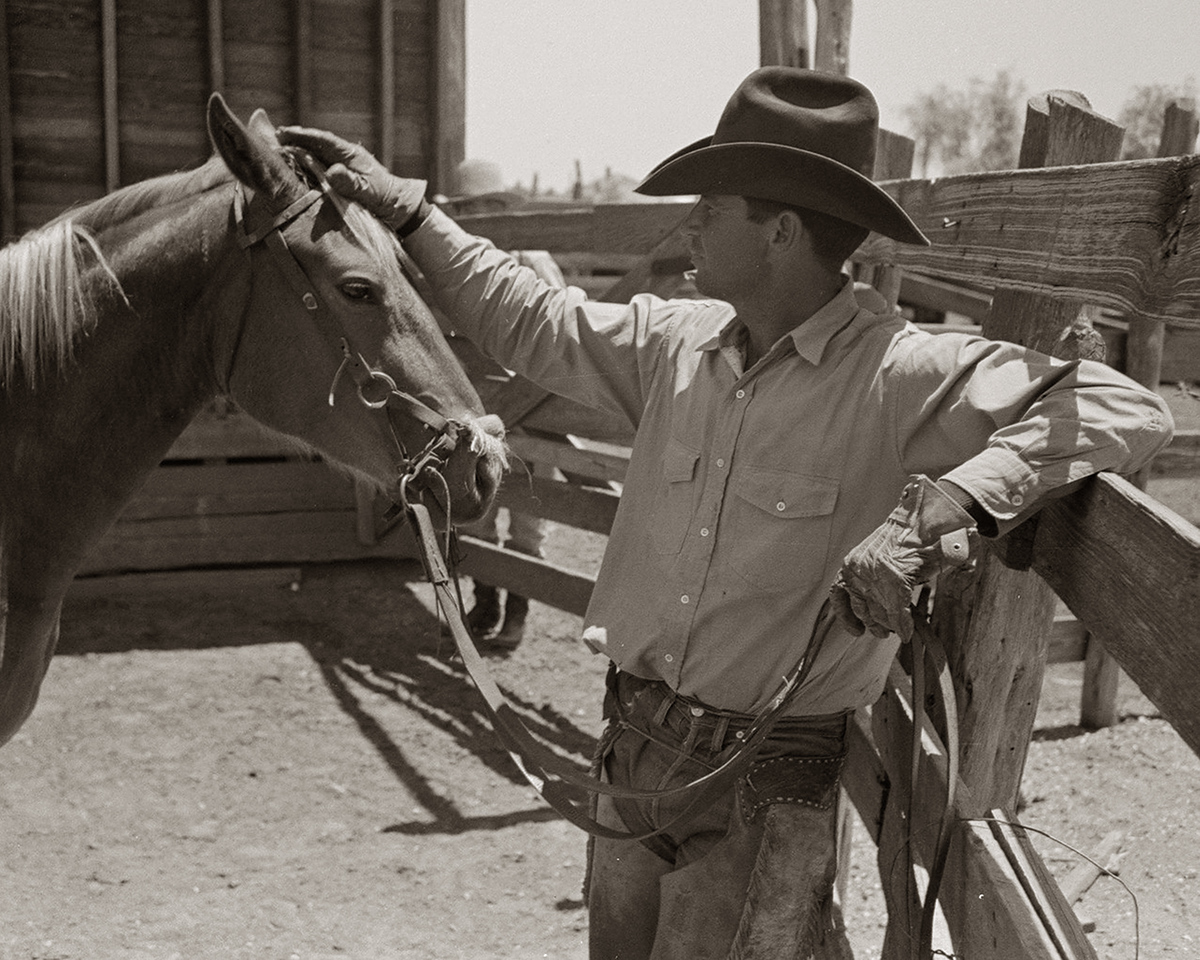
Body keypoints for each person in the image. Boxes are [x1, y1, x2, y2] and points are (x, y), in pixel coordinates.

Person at [280, 66, 1173, 960]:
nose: (691, 222)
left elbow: (1126, 408)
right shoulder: (678, 343)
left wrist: (943, 508)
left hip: (763, 780)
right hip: (632, 751)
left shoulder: (897, 375)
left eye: (712, 204)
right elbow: (535, 318)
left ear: (780, 231)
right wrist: (410, 214)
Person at [437, 159, 566, 651]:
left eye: (490, 207)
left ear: (504, 208)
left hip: (533, 405)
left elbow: (563, 324)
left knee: (532, 512)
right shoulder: (452, 264)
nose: (482, 216)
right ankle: (485, 602)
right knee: (478, 509)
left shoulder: (531, 258)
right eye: (472, 209)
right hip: (480, 405)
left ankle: (517, 613)